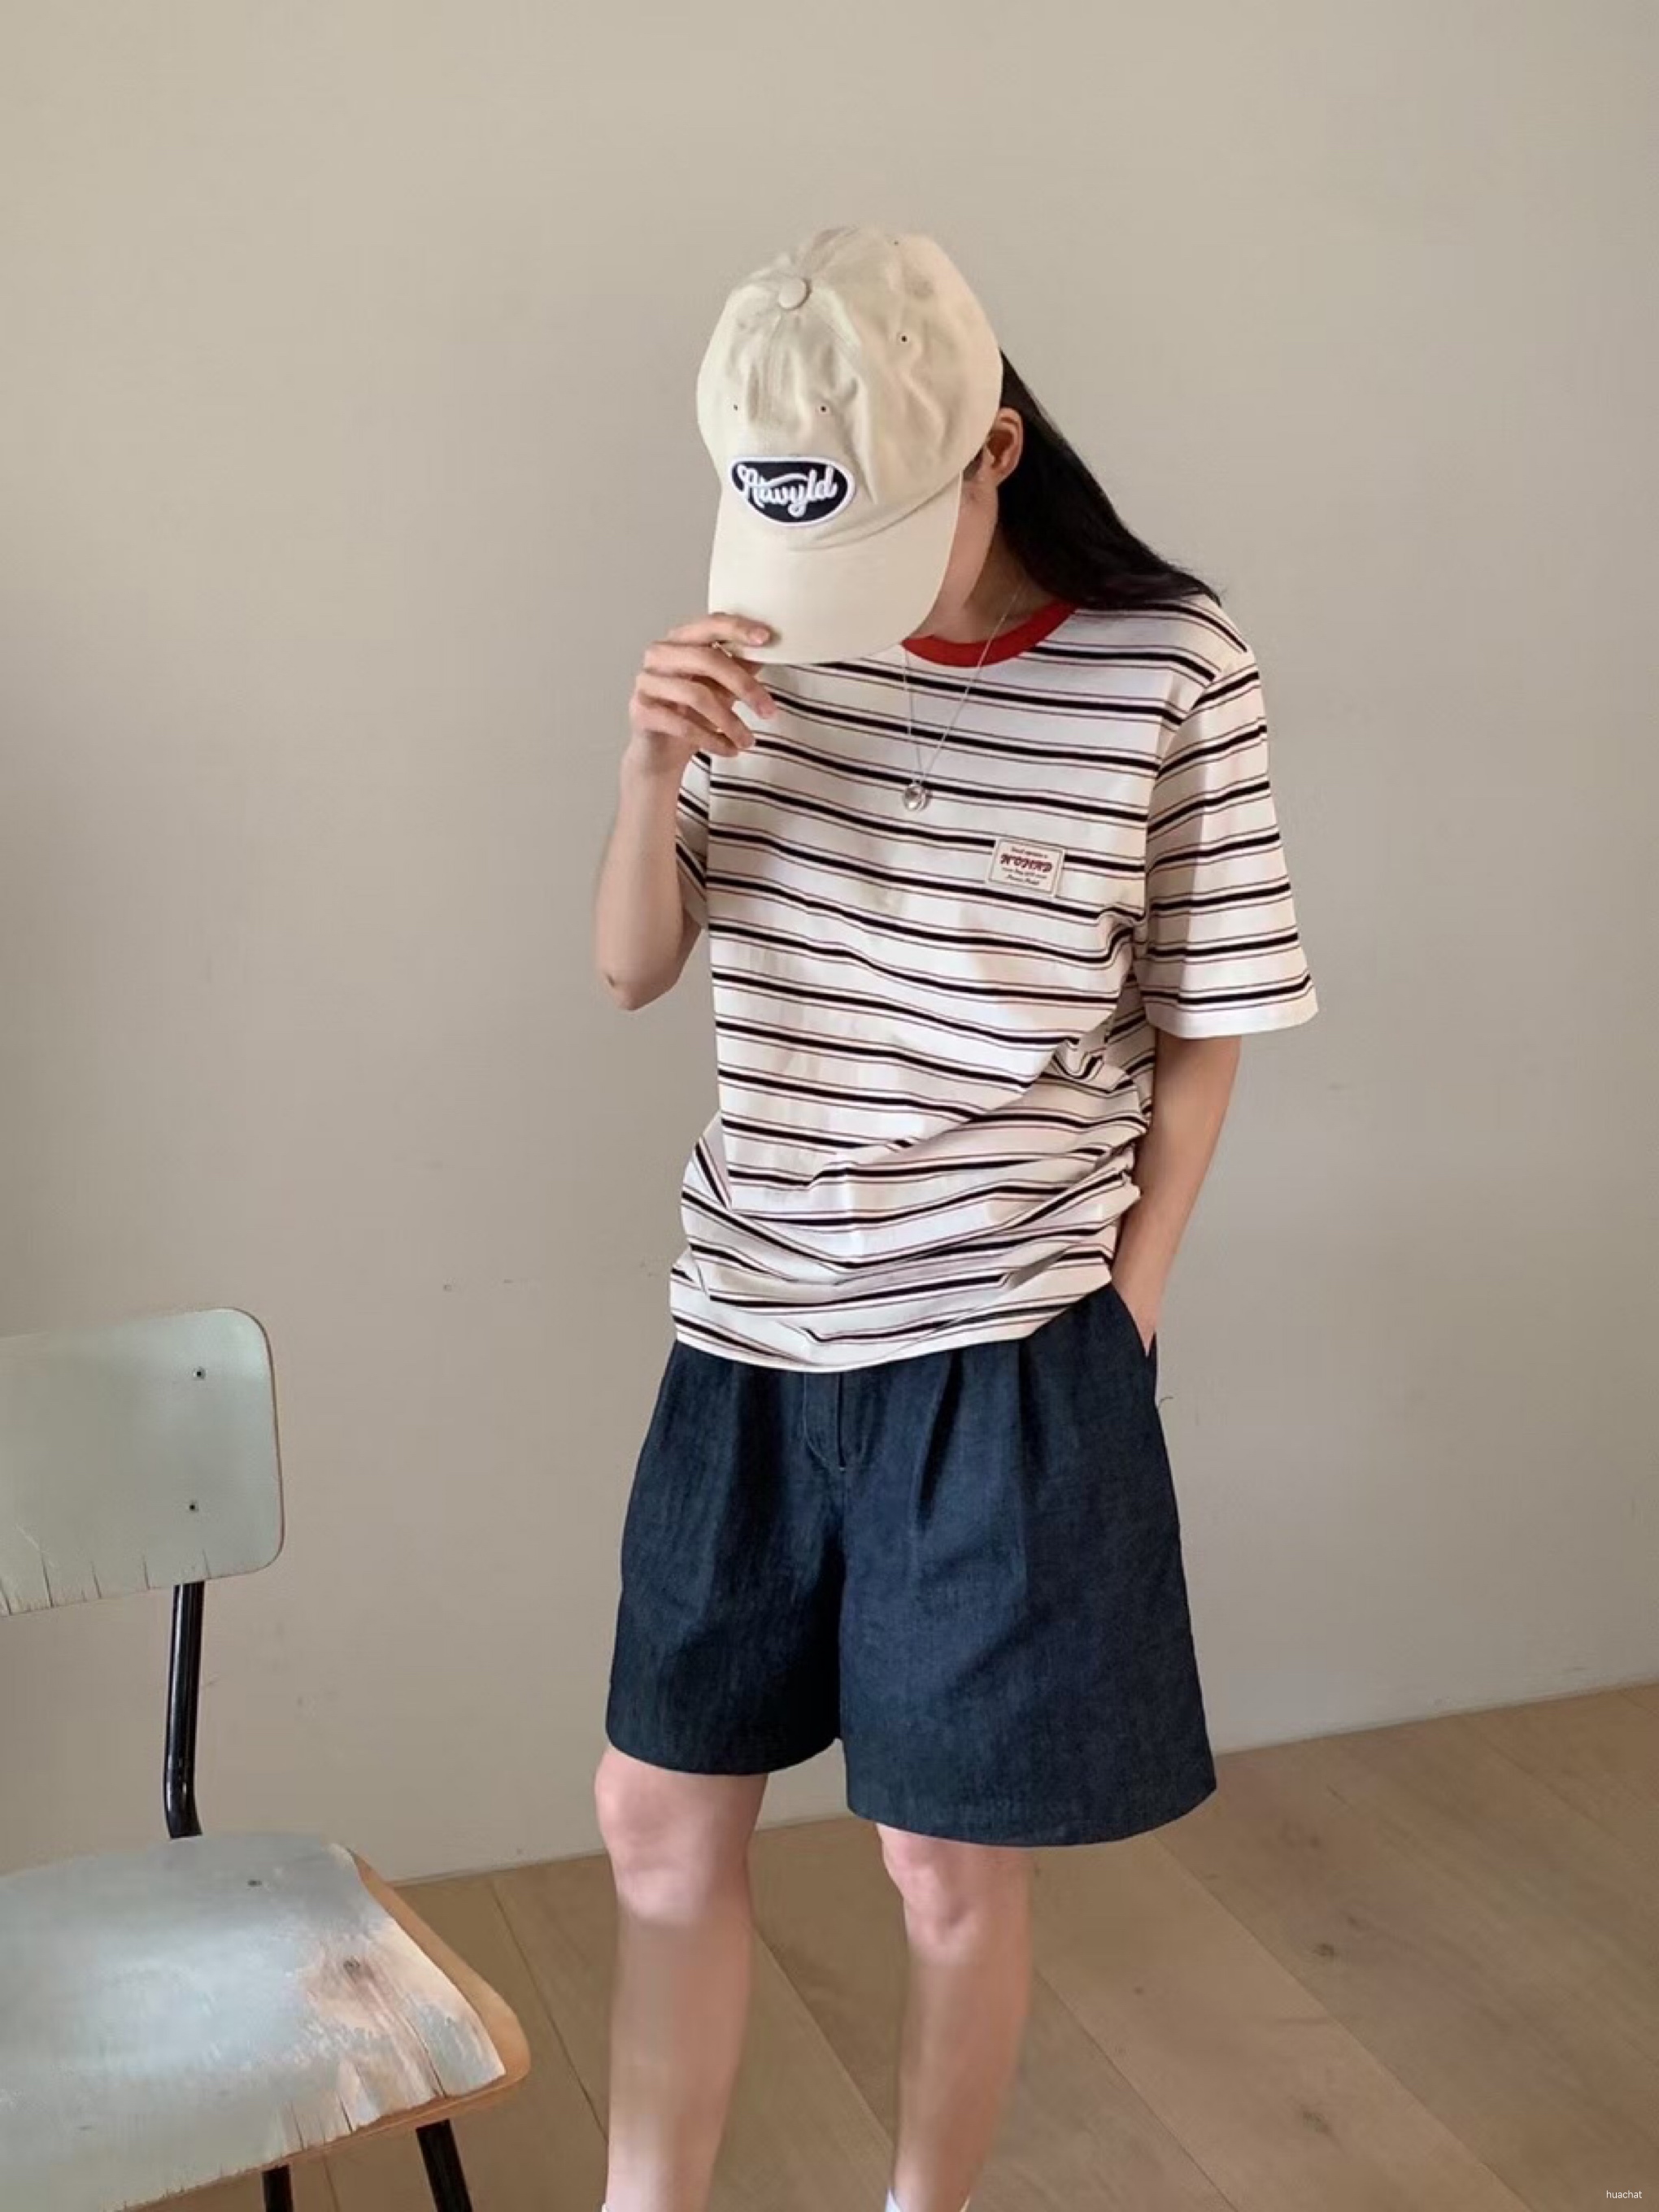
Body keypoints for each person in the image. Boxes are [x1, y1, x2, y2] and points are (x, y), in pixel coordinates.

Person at [590, 224, 1317, 2212]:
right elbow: (632, 967)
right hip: (745, 1330)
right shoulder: (756, 642)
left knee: (941, 1859)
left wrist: (1127, 1305)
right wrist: (646, 763)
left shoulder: (1171, 668)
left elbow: (1207, 1022)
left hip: (1007, 1344)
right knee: (653, 1819)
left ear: (995, 451)